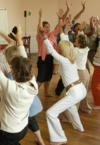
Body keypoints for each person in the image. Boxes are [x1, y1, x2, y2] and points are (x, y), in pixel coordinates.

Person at [41, 11, 87, 145]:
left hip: (74, 91)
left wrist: (44, 37)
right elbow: (66, 43)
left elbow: (51, 50)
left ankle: (59, 138)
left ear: (63, 50)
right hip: (79, 89)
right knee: (72, 108)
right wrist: (64, 29)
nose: (58, 48)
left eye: (60, 47)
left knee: (50, 113)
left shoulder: (65, 60)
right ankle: (79, 127)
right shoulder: (71, 58)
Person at [0, 45, 45, 144]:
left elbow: (4, 97)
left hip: (26, 107)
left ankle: (40, 141)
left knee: (23, 124)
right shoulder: (23, 67)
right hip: (33, 104)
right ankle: (41, 141)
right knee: (31, 122)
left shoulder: (14, 75)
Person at [58, 21, 92, 124]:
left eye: (76, 39)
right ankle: (84, 108)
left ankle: (69, 117)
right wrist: (80, 30)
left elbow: (66, 44)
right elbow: (81, 38)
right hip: (85, 73)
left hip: (79, 75)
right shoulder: (85, 48)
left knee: (68, 96)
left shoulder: (76, 51)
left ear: (79, 43)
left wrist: (64, 30)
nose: (75, 40)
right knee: (81, 94)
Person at [36, 8, 60, 97]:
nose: (48, 28)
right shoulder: (40, 35)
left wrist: (60, 17)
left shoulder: (51, 35)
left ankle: (46, 92)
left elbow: (58, 28)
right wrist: (40, 16)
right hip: (43, 59)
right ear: (42, 27)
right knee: (41, 78)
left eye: (49, 26)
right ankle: (32, 94)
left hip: (50, 58)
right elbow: (39, 28)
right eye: (46, 26)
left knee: (48, 77)